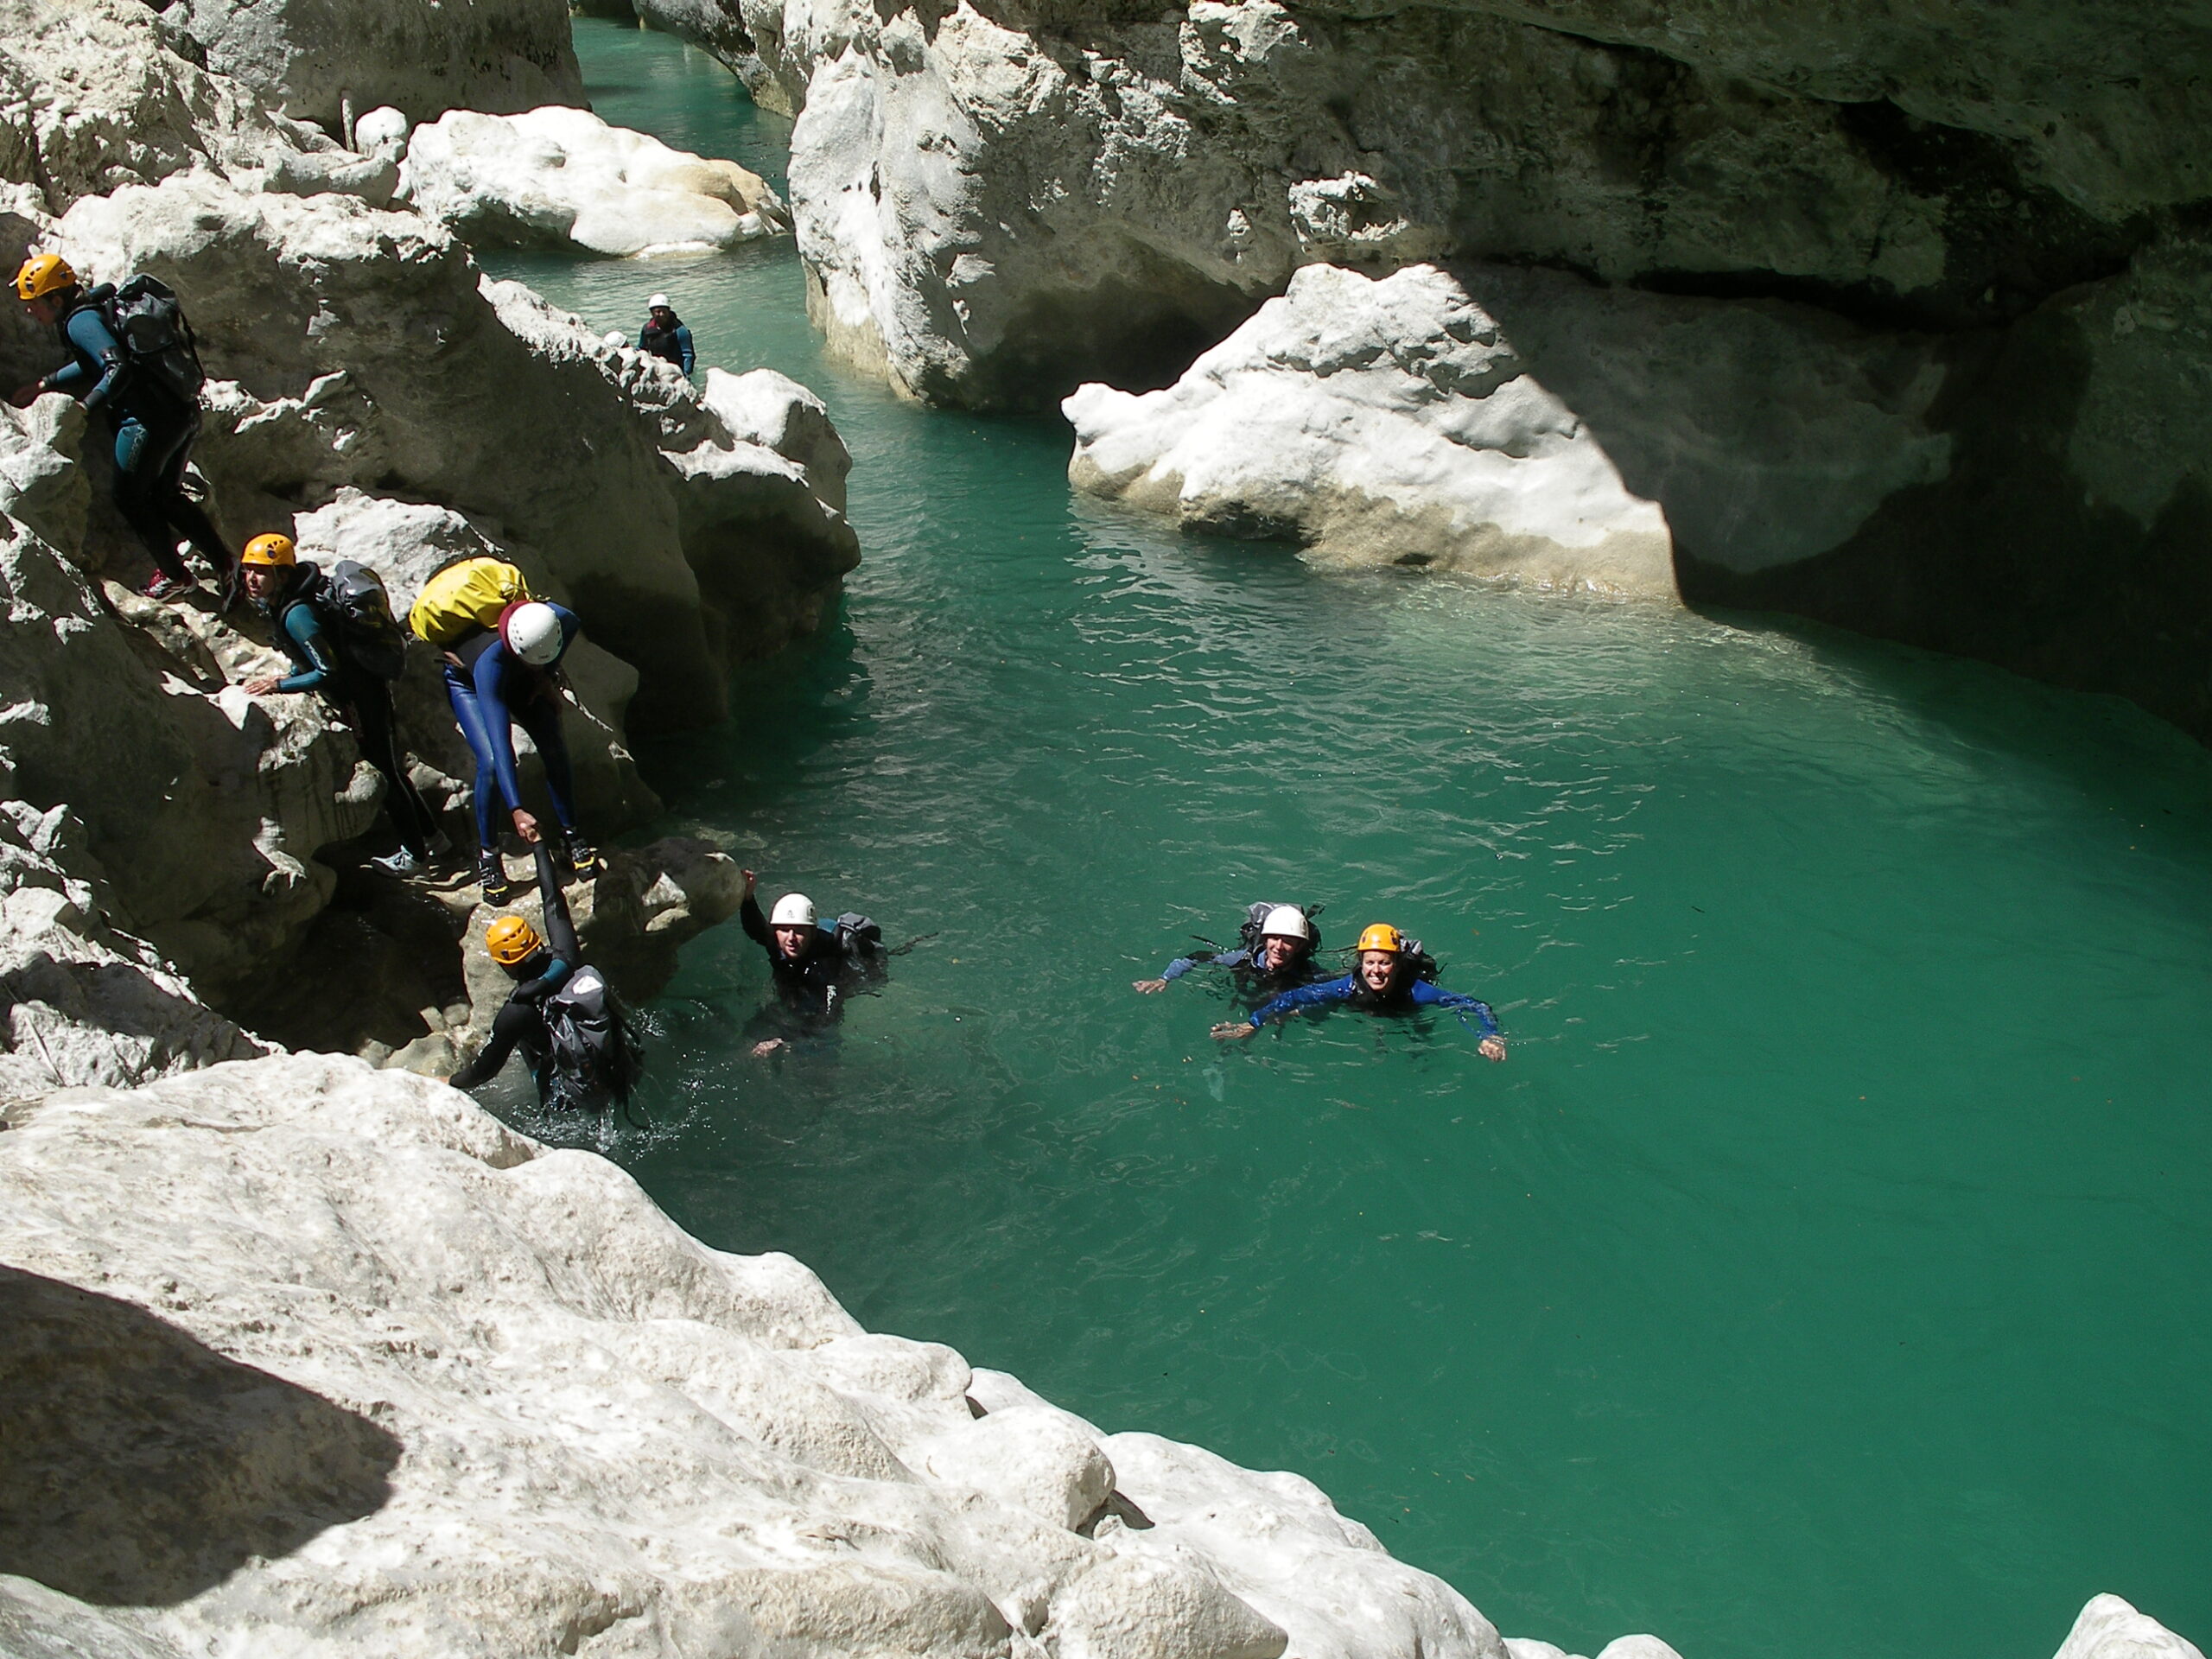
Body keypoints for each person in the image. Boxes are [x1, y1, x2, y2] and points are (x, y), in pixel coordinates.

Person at [9, 254, 230, 601]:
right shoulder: (97, 309)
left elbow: (116, 368)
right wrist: (45, 383)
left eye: (33, 303)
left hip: (146, 421)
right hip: (181, 412)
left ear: (54, 300)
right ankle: (225, 564)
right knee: (166, 494)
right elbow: (93, 362)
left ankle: (174, 576)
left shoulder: (78, 323)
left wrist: (85, 407)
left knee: (129, 497)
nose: (28, 311)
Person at [236, 532, 445, 875]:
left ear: (283, 575)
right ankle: (434, 839)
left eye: (261, 571)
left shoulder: (297, 613)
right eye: (248, 570)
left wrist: (280, 685)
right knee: (391, 767)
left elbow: (326, 670)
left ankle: (416, 855)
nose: (251, 579)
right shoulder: (291, 602)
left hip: (359, 697)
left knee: (384, 773)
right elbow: (311, 655)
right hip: (366, 689)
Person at [448, 844, 643, 1112]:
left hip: (570, 1099)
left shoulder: (516, 1012)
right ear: (535, 941)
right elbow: (554, 904)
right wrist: (539, 844)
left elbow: (483, 1071)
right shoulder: (566, 958)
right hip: (620, 1065)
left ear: (506, 965)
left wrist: (447, 1081)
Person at [447, 596, 594, 904]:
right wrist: (516, 808)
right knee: (489, 762)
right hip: (470, 683)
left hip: (526, 671)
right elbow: (502, 748)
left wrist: (545, 676)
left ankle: (571, 835)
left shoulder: (559, 619)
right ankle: (489, 857)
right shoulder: (490, 666)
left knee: (552, 744)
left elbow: (570, 622)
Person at [1212, 923, 1507, 1059]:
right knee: (1298, 1009)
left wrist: (1489, 1036)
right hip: (1359, 1007)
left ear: (1396, 963)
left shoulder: (1416, 991)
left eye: (1384, 963)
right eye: (1370, 963)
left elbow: (1473, 1005)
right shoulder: (1347, 985)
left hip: (1403, 1015)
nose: (1376, 970)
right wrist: (1253, 1023)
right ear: (1361, 963)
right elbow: (1293, 996)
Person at [739, 868, 884, 1056]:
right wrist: (748, 898)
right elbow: (757, 930)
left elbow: (828, 1017)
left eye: (799, 931)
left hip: (822, 992)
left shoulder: (826, 961)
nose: (790, 938)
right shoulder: (779, 942)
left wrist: (786, 1041)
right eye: (784, 929)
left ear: (812, 933)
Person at [1135, 903, 1323, 996]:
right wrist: (1165, 978)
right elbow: (1196, 957)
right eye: (1274, 938)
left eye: (1288, 941)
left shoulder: (1308, 973)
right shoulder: (1242, 959)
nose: (1279, 947)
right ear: (1265, 939)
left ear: (1300, 946)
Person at [638, 294, 695, 376]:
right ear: (652, 313)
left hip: (677, 371)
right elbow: (641, 348)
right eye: (658, 312)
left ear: (669, 311)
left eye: (664, 311)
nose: (661, 314)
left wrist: (685, 375)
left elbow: (688, 355)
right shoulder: (647, 329)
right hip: (659, 368)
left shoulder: (680, 331)